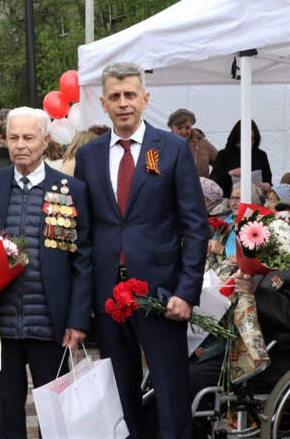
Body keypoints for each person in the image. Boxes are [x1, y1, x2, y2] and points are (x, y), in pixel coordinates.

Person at [74, 62, 209, 439]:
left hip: (162, 294)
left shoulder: (173, 149)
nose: (123, 103)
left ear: (145, 99)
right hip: (108, 295)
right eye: (115, 96)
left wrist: (186, 292)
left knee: (170, 393)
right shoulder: (89, 155)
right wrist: (84, 298)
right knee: (120, 394)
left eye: (130, 95)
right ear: (103, 103)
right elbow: (84, 233)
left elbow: (195, 226)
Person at [0, 107, 93, 439]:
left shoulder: (70, 189)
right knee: (8, 410)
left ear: (45, 140)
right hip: (4, 324)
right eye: (13, 138)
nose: (20, 145)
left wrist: (78, 318)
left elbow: (82, 259)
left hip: (51, 325)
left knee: (53, 415)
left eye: (28, 137)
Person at [189, 266, 290, 439]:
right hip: (240, 342)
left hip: (272, 354)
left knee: (192, 376)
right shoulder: (271, 262)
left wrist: (256, 292)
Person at [209, 119, 272, 197]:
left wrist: (267, 186)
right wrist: (230, 173)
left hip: (255, 200)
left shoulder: (261, 155)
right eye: (246, 138)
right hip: (229, 200)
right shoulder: (223, 154)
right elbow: (213, 180)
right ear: (237, 137)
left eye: (252, 139)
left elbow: (268, 180)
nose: (249, 142)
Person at [167, 108, 218, 177]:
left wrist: (213, 179)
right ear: (172, 128)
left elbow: (221, 163)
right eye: (179, 128)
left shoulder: (203, 144)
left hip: (200, 184)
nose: (184, 132)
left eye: (187, 128)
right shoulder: (165, 145)